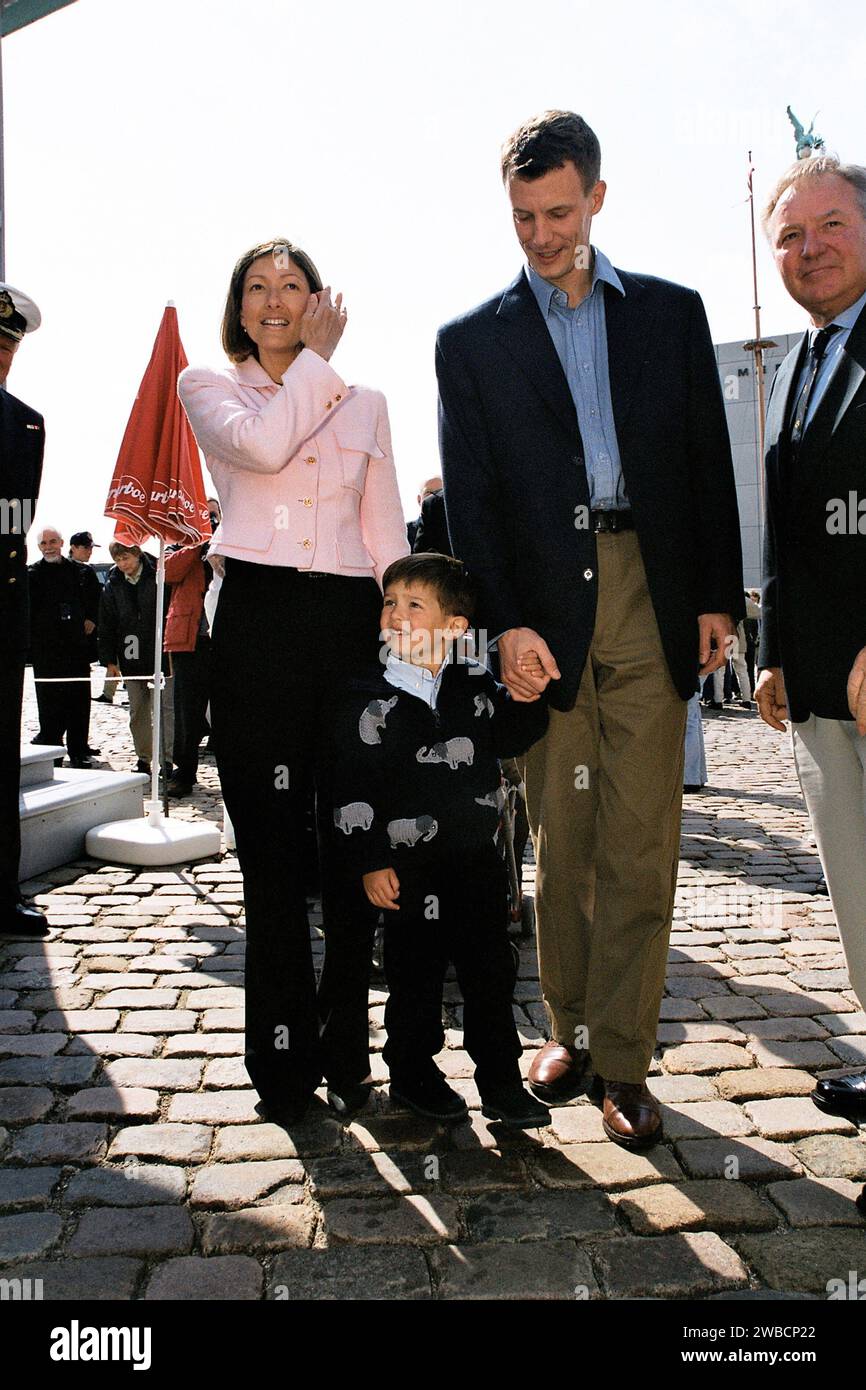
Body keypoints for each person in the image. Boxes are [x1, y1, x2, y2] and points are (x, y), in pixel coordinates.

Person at [436, 110, 744, 1148]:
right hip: (542, 612)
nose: (539, 233)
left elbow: (705, 461)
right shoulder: (469, 342)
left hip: (647, 589)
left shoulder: (668, 313)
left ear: (597, 199)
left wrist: (715, 595)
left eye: (557, 212)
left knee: (641, 835)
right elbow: (470, 502)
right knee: (560, 833)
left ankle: (623, 1054)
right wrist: (505, 621)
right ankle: (564, 1027)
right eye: (522, 215)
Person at [178, 237, 408, 1124]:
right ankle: (282, 1062)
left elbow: (385, 533)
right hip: (261, 629)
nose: (276, 300)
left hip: (349, 626)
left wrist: (423, 641)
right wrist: (318, 360)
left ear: (318, 296)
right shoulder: (211, 387)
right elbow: (266, 451)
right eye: (259, 288)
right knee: (271, 856)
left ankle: (349, 1050)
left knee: (355, 844)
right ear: (238, 308)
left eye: (293, 285)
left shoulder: (369, 402)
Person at [332, 553, 549, 1127]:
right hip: (408, 870)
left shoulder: (473, 681)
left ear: (454, 627)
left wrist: (527, 702)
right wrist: (371, 861)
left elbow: (507, 736)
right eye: (389, 603)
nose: (395, 615)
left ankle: (501, 1081)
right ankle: (412, 1071)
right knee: (415, 976)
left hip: (476, 862)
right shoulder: (365, 693)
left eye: (413, 605)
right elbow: (351, 785)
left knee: (490, 973)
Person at [754, 154, 866, 1126]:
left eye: (828, 225)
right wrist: (770, 648)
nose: (808, 248)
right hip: (818, 682)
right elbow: (785, 526)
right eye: (789, 235)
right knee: (857, 882)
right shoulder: (799, 358)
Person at [0, 282, 47, 937]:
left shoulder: (26, 422)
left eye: (10, 347)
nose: (4, 357)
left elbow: (17, 524)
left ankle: (2, 890)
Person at [97, 542, 174, 776]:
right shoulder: (112, 585)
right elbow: (106, 624)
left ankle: (168, 760)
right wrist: (109, 660)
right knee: (138, 711)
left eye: (126, 558)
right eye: (119, 560)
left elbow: (170, 611)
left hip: (161, 653)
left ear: (137, 555)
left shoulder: (160, 576)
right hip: (131, 656)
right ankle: (143, 758)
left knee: (166, 710)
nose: (123, 565)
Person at [27, 526, 101, 767]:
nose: (48, 547)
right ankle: (52, 753)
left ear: (61, 543)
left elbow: (96, 602)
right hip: (47, 651)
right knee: (49, 703)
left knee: (79, 701)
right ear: (39, 547)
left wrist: (91, 618)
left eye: (52, 541)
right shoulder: (32, 575)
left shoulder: (81, 573)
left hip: (76, 648)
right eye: (43, 543)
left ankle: (78, 750)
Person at [406, 476, 442, 550]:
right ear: (419, 500)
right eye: (429, 493)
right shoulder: (406, 532)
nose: (434, 497)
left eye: (440, 492)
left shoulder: (454, 529)